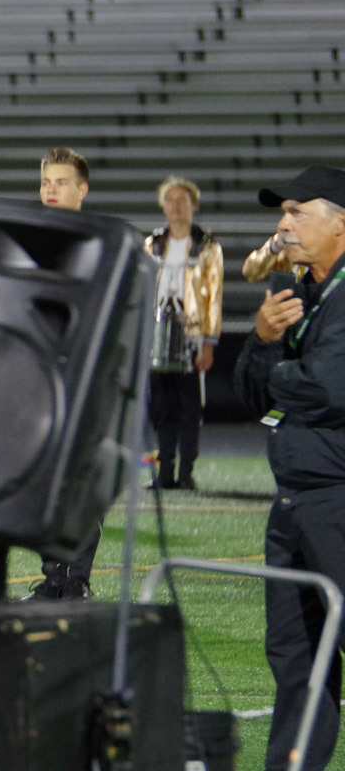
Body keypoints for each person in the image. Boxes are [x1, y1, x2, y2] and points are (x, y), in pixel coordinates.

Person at [233, 166, 345, 771]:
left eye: (298, 211)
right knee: (295, 655)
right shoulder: (298, 292)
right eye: (283, 213)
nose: (283, 224)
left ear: (341, 223)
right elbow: (252, 396)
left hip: (338, 497)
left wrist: (275, 370)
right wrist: (261, 337)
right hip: (294, 500)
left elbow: (328, 388)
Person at [26, 145, 106, 600]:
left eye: (61, 182)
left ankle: (78, 579)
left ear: (82, 190)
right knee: (42, 480)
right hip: (39, 375)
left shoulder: (98, 245)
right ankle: (53, 576)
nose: (50, 190)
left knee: (81, 482)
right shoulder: (32, 243)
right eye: (45, 182)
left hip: (84, 374)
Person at [144, 176, 222, 490]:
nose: (176, 206)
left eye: (182, 200)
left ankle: (186, 473)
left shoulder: (207, 245)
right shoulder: (152, 243)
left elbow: (214, 296)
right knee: (161, 408)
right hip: (158, 333)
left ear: (194, 206)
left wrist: (208, 342)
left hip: (191, 335)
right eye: (170, 200)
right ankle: (164, 473)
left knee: (189, 408)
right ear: (163, 206)